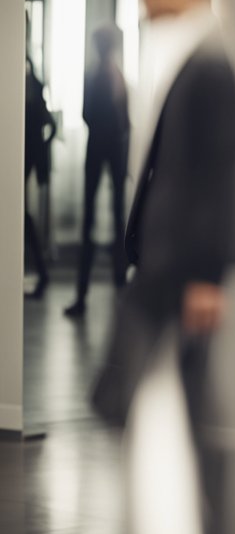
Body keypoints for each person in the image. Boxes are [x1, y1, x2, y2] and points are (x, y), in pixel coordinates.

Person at [91, 0, 235, 534]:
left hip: (183, 265)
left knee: (158, 386)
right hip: (169, 260)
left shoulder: (212, 64)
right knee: (173, 388)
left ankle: (201, 526)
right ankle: (195, 523)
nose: (144, 1)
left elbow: (218, 177)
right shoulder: (196, 57)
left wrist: (209, 273)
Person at [64, 25, 130, 317]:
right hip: (104, 150)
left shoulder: (114, 75)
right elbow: (91, 114)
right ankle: (85, 293)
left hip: (109, 151)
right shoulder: (104, 75)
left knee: (115, 220)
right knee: (95, 220)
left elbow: (119, 119)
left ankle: (114, 289)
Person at [24, 57, 55, 299]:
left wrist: (37, 148)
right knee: (22, 214)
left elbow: (51, 125)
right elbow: (51, 126)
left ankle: (42, 273)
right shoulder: (34, 86)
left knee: (22, 214)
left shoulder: (30, 89)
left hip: (25, 158)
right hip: (29, 157)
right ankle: (41, 273)